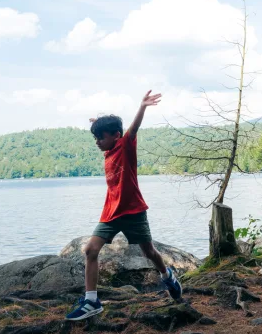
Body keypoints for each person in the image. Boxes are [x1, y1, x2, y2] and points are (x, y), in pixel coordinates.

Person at [66, 91, 183, 320]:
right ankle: (92, 301)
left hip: (133, 211)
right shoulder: (109, 150)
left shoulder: (125, 146)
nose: (97, 142)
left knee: (148, 252)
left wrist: (143, 106)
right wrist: (98, 125)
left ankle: (167, 276)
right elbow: (108, 133)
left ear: (116, 136)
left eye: (101, 137)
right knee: (90, 250)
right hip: (110, 212)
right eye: (95, 138)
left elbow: (133, 129)